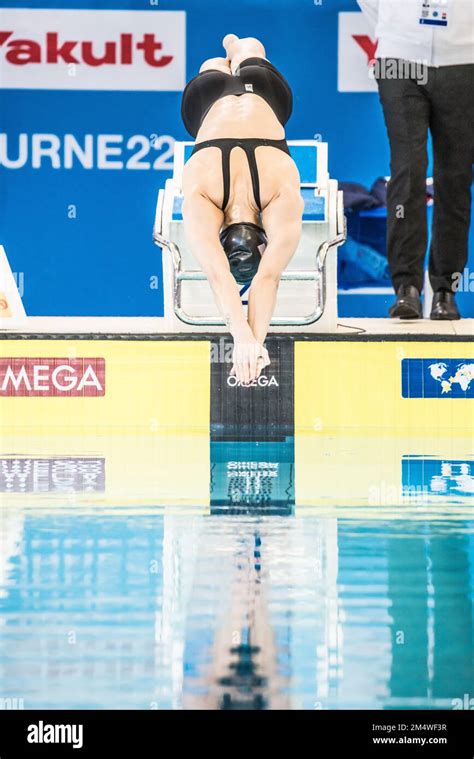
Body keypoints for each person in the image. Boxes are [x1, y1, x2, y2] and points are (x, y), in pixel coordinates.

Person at [181, 34, 303, 383]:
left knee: (250, 49)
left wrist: (249, 339)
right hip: (208, 96)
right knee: (213, 66)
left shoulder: (281, 193)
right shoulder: (200, 195)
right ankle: (228, 51)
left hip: (262, 92)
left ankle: (236, 47)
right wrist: (245, 339)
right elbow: (221, 277)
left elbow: (267, 277)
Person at [358, 0, 474, 319]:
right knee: (407, 170)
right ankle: (406, 287)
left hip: (465, 60)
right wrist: (394, 25)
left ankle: (445, 290)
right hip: (399, 58)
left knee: (455, 176)